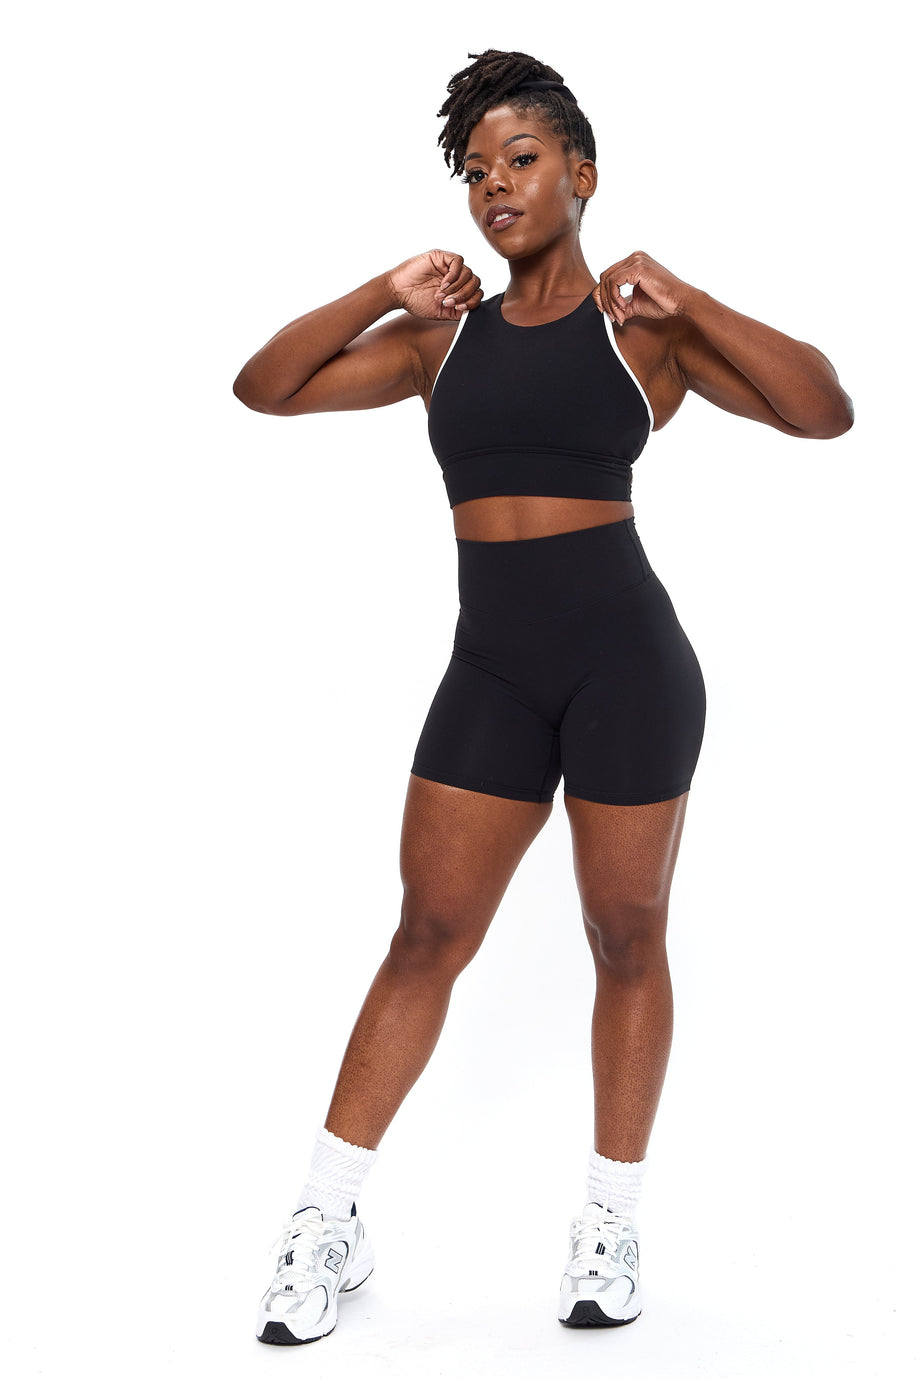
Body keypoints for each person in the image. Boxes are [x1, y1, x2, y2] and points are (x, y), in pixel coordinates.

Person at [234, 48, 853, 1343]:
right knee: (426, 935)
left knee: (626, 938)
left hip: (628, 668)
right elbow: (266, 388)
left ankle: (608, 1225)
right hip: (493, 674)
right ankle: (325, 1218)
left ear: (583, 174)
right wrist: (381, 289)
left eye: (520, 161)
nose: (496, 188)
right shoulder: (438, 339)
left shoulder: (642, 334)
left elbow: (822, 411)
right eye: (475, 172)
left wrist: (690, 297)